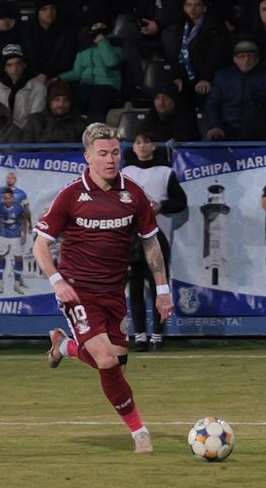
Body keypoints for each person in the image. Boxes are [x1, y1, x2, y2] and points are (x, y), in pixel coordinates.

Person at [36, 121, 172, 453]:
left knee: (115, 364)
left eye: (115, 153)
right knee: (106, 361)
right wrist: (57, 282)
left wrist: (163, 289)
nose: (111, 160)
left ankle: (65, 346)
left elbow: (151, 243)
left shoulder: (133, 194)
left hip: (114, 292)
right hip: (79, 290)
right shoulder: (71, 196)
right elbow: (40, 245)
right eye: (103, 154)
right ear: (87, 157)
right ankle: (140, 433)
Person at [122, 130, 187, 351]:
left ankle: (158, 336)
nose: (141, 146)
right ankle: (139, 335)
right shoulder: (126, 173)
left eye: (146, 141)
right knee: (136, 287)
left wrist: (161, 206)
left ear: (153, 146)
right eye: (137, 142)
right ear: (133, 147)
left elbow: (180, 202)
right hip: (132, 238)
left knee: (159, 287)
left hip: (157, 237)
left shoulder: (165, 173)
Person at [0, 187, 28, 295]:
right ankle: (0, 283)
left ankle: (16, 284)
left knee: (18, 259)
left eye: (8, 198)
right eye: (4, 198)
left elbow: (24, 219)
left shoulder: (18, 207)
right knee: (0, 257)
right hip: (2, 235)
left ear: (12, 198)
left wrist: (24, 234)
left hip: (16, 236)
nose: (6, 200)